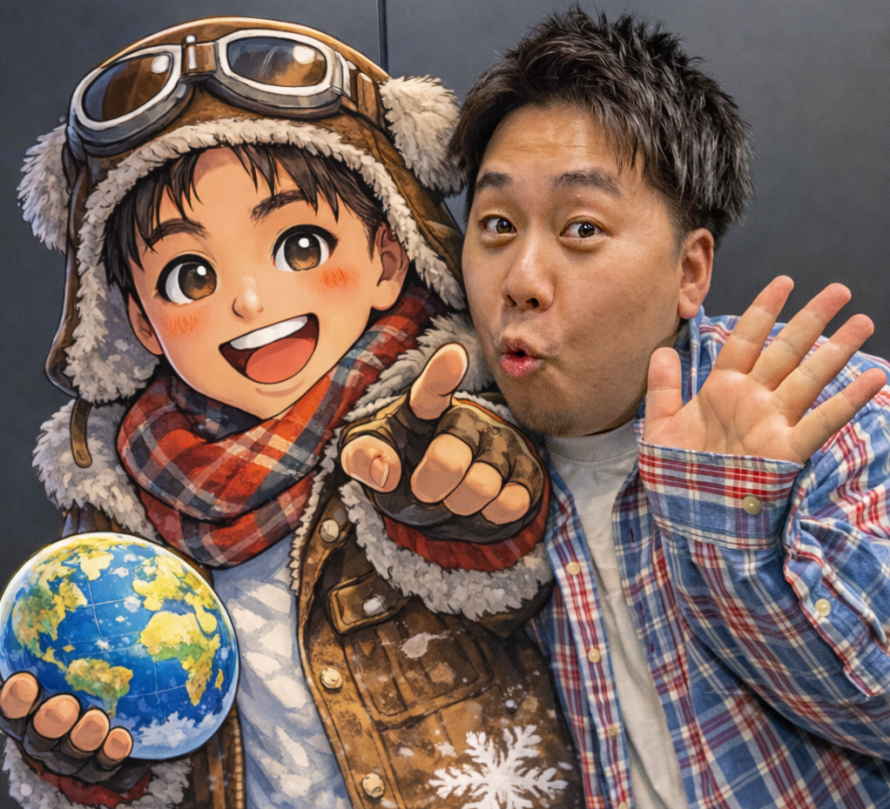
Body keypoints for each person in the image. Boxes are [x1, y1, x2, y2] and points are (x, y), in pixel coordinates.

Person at [0, 18, 582, 809]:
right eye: (190, 276)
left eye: (301, 247)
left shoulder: (433, 414)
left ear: (387, 260)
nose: (247, 301)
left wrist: (465, 498)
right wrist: (96, 765)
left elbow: (524, 574)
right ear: (142, 323)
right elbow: (155, 765)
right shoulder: (116, 514)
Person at [444, 7, 890, 809]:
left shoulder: (824, 411)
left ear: (690, 271)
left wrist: (732, 533)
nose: (522, 280)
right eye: (497, 224)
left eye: (582, 228)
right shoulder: (457, 467)